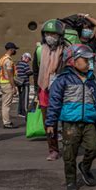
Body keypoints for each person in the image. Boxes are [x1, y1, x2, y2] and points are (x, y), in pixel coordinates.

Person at [46, 44, 96, 190]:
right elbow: (54, 102)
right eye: (85, 59)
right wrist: (50, 123)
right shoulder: (63, 80)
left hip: (88, 123)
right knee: (69, 154)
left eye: (89, 60)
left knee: (94, 148)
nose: (88, 63)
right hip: (70, 123)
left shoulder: (91, 81)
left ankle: (85, 167)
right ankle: (71, 181)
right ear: (72, 61)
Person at [33, 19, 67, 161]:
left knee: (66, 121)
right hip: (44, 91)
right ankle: (53, 149)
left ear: (60, 35)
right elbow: (35, 70)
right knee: (49, 123)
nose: (50, 36)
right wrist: (37, 90)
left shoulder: (65, 51)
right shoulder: (40, 50)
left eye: (53, 34)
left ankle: (69, 146)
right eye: (47, 33)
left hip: (63, 91)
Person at [0, 42, 19, 129]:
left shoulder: (2, 58)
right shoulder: (8, 61)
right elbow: (10, 75)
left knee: (4, 103)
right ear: (11, 49)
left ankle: (6, 121)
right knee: (6, 104)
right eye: (14, 49)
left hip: (3, 83)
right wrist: (14, 87)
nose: (15, 51)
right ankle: (6, 122)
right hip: (8, 84)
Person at [16, 53, 33, 118]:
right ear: (26, 58)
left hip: (19, 83)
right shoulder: (25, 65)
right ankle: (25, 112)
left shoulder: (18, 64)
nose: (29, 61)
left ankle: (19, 112)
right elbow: (28, 72)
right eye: (29, 59)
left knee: (20, 98)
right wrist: (33, 71)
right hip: (25, 83)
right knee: (25, 98)